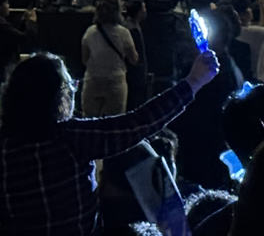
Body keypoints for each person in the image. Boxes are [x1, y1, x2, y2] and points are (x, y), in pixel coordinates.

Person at [0, 49, 218, 236]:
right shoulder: (72, 138)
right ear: (57, 98)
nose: (73, 91)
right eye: (70, 86)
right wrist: (193, 82)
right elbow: (139, 123)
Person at [81, 0, 139, 117]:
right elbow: (133, 59)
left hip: (92, 81)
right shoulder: (123, 33)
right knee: (114, 121)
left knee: (89, 120)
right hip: (115, 82)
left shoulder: (90, 32)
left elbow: (85, 59)